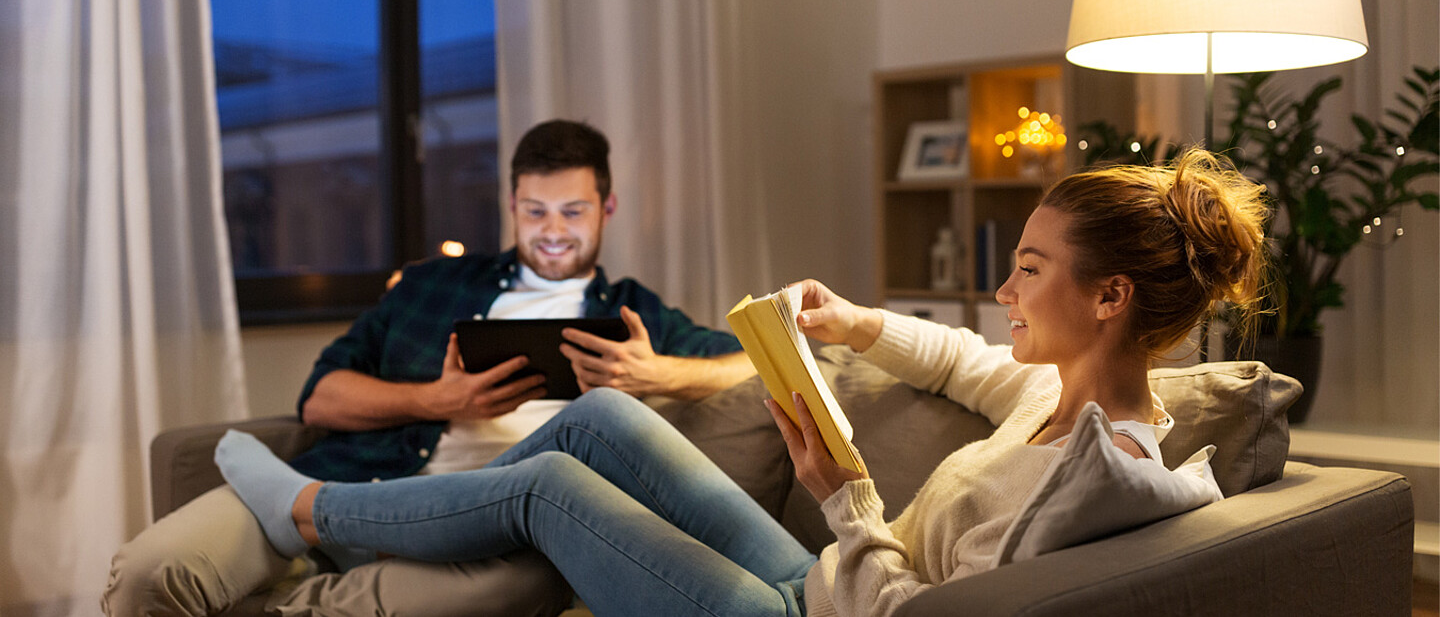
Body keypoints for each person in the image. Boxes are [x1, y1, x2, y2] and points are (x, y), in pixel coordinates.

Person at [210, 148, 1269, 616]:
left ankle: (310, 513)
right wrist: (851, 324)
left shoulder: (1097, 480)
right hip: (827, 583)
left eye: (1029, 269)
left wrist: (844, 501)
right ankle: (355, 519)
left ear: (1110, 298)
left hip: (823, 612)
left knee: (546, 489)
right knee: (607, 418)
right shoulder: (1061, 395)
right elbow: (958, 359)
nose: (1002, 289)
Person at [103, 119, 756, 617]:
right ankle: (301, 518)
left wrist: (657, 375)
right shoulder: (429, 286)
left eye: (572, 211)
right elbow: (319, 399)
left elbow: (749, 363)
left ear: (606, 209)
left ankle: (301, 560)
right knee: (148, 574)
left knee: (535, 567)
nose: (552, 230)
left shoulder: (635, 313)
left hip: (490, 526)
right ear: (511, 205)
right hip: (361, 476)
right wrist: (437, 399)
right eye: (535, 211)